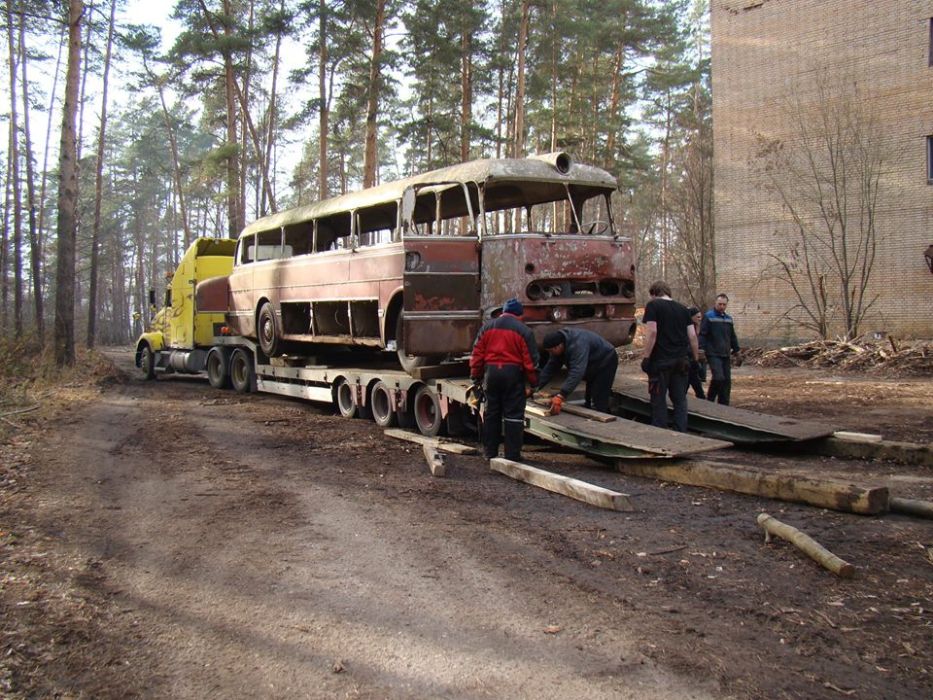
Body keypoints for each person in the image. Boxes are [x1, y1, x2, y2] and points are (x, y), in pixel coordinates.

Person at [469, 298, 539, 461]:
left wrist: (476, 378)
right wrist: (534, 383)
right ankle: (512, 455)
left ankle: (490, 453)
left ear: (503, 312)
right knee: (513, 416)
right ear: (519, 315)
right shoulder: (524, 331)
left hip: (491, 374)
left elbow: (477, 356)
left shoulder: (486, 328)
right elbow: (530, 362)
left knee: (491, 414)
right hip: (513, 375)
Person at [640, 281, 699, 432]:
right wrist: (696, 359)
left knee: (658, 400)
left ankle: (660, 434)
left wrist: (646, 357)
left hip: (660, 363)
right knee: (680, 401)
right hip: (681, 362)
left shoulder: (653, 306)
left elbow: (652, 332)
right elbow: (692, 336)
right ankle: (681, 432)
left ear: (654, 293)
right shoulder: (683, 309)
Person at [535, 328, 618, 415]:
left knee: (598, 397)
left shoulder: (577, 345)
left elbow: (577, 372)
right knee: (589, 397)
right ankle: (590, 411)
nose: (550, 354)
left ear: (559, 346)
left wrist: (561, 395)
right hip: (592, 361)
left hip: (606, 360)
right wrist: (534, 387)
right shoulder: (559, 346)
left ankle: (601, 418)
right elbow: (549, 369)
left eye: (551, 351)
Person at [699, 293, 741, 405]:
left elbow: (732, 336)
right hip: (713, 353)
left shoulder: (728, 319)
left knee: (726, 380)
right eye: (720, 304)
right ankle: (710, 399)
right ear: (715, 303)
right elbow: (703, 334)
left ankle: (724, 403)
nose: (722, 306)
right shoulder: (709, 316)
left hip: (725, 353)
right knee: (718, 377)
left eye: (724, 304)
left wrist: (737, 351)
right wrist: (701, 349)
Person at [686, 306, 707, 399]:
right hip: (689, 361)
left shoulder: (702, 328)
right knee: (693, 383)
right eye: (697, 317)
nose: (700, 319)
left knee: (696, 383)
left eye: (700, 317)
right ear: (691, 317)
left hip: (698, 361)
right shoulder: (688, 329)